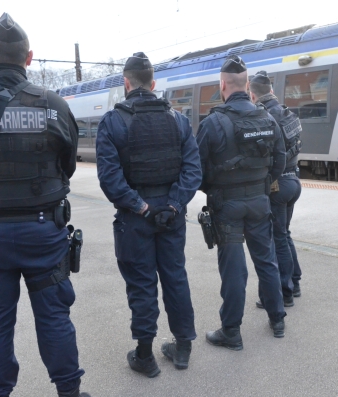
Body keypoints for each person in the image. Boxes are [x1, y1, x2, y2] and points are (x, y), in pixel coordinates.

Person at [0, 13, 89, 397]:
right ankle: (69, 391)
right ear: (29, 58)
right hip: (43, 233)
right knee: (55, 316)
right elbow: (69, 165)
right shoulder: (54, 104)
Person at [96, 52, 201, 376]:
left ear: (126, 84)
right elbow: (192, 171)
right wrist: (171, 205)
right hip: (170, 216)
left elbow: (110, 180)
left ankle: (145, 356)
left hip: (135, 218)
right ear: (153, 84)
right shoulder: (178, 119)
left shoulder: (113, 122)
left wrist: (142, 207)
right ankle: (182, 347)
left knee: (141, 285)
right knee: (175, 277)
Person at [196, 55, 287, 350]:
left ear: (222, 84)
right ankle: (277, 320)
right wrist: (264, 184)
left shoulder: (213, 123)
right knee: (266, 260)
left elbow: (197, 170)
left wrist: (215, 188)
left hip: (227, 205)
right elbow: (280, 159)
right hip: (260, 201)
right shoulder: (267, 117)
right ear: (247, 85)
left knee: (234, 269)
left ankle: (231, 332)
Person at [249, 70, 303, 307]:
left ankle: (284, 292)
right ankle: (295, 281)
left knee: (277, 238)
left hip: (278, 185)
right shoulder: (287, 114)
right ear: (271, 90)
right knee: (285, 234)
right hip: (294, 181)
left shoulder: (264, 117)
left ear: (252, 95)